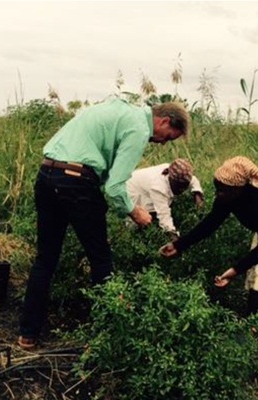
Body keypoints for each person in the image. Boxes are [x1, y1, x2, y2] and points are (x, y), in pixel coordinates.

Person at [17, 98, 190, 350]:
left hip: (47, 175)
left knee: (45, 259)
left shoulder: (116, 108)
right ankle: (106, 338)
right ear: (163, 121)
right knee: (101, 260)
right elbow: (115, 186)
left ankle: (27, 335)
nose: (163, 142)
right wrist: (134, 212)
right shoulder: (139, 129)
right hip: (76, 182)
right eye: (169, 137)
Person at [160, 156, 258, 333]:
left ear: (241, 188)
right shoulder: (227, 195)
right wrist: (179, 245)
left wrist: (234, 271)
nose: (218, 194)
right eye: (217, 189)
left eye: (222, 191)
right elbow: (211, 223)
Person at [126, 158, 204, 239]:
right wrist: (176, 242)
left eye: (184, 186)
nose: (182, 190)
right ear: (171, 179)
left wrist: (198, 194)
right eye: (179, 186)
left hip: (143, 185)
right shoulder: (158, 188)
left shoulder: (180, 175)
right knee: (138, 220)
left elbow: (193, 180)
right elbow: (164, 217)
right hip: (131, 190)